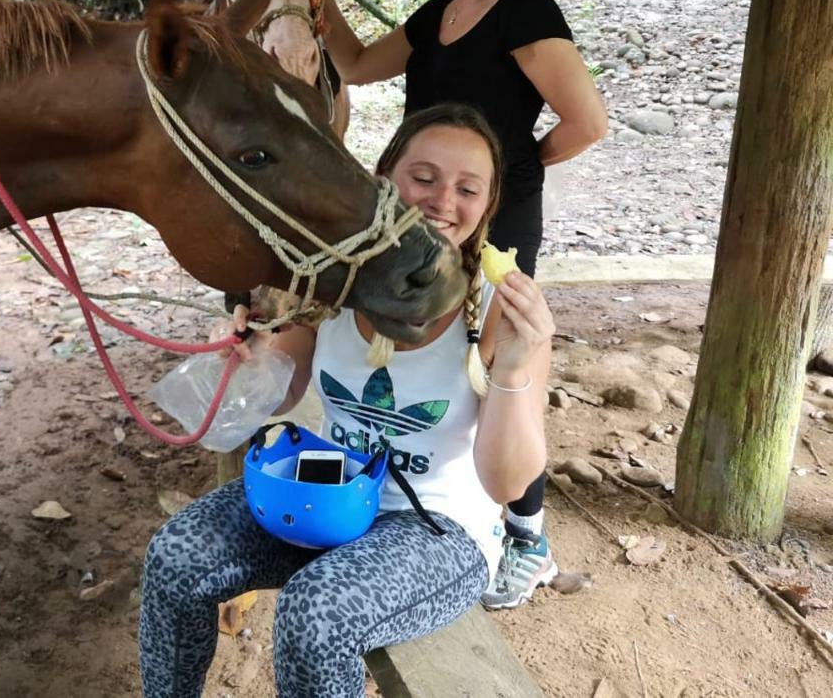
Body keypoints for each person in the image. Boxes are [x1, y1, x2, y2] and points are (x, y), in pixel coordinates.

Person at [138, 104, 554, 698]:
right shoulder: (339, 282)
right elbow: (281, 390)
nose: (442, 200)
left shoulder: (502, 312)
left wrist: (513, 368)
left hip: (437, 530)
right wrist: (248, 354)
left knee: (316, 614)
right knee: (176, 556)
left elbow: (508, 485)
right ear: (383, 180)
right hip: (326, 499)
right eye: (424, 177)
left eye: (467, 188)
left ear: (487, 207)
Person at [321, 0, 607, 610]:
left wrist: (513, 177)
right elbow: (350, 62)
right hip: (422, 216)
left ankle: (528, 536)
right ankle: (427, 492)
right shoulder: (435, 16)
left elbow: (588, 121)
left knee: (508, 366)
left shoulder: (526, 9)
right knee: (427, 356)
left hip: (496, 221)